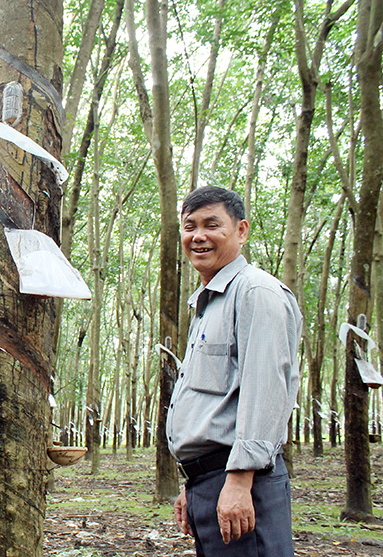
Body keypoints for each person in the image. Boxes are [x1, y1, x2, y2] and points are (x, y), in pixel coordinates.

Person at [167, 186, 302, 556]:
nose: (199, 236)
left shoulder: (256, 293)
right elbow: (217, 404)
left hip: (243, 481)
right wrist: (191, 485)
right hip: (212, 481)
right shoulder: (210, 302)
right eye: (189, 226)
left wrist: (240, 482)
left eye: (212, 225)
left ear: (241, 231)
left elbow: (266, 391)